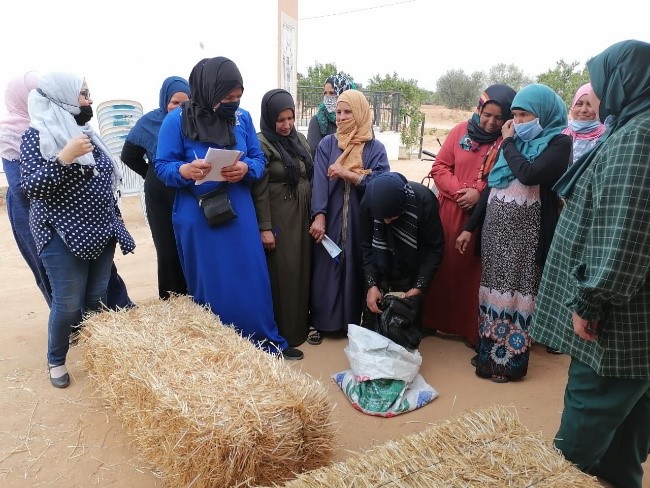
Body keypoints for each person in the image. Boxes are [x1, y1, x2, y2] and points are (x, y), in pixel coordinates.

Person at [530, 40, 650, 488]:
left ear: (624, 81)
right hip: (636, 328)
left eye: (600, 85)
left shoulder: (638, 138)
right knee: (626, 438)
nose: (594, 97)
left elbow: (626, 232)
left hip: (617, 327)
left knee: (576, 444)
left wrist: (591, 302)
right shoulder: (635, 126)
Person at [154, 56, 303, 360]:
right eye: (227, 97)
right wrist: (185, 170)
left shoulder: (242, 119)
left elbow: (258, 159)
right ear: (208, 91)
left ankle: (264, 340)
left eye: (238, 97)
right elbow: (161, 166)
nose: (233, 103)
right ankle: (220, 351)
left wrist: (246, 168)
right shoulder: (176, 121)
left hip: (238, 209)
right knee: (212, 281)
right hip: (198, 214)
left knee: (252, 274)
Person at [20, 72, 136, 388]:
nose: (89, 100)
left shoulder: (86, 132)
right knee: (68, 302)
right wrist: (63, 158)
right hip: (62, 234)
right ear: (63, 98)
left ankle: (98, 351)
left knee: (96, 296)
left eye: (88, 93)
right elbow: (29, 188)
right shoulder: (37, 136)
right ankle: (56, 360)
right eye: (83, 94)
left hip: (100, 230)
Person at [458, 83, 571, 383]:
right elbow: (493, 188)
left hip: (527, 238)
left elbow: (530, 174)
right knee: (492, 291)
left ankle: (510, 363)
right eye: (516, 116)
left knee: (518, 295)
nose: (518, 122)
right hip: (496, 234)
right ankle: (487, 355)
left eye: (524, 115)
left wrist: (507, 143)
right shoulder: (514, 143)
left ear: (543, 114)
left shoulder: (559, 143)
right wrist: (470, 228)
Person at [0, 72, 134, 311]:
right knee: (53, 270)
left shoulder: (67, 123)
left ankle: (117, 311)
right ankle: (71, 326)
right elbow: (22, 188)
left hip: (75, 207)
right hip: (31, 212)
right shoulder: (13, 134)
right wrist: (62, 163)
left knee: (98, 265)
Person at [422, 84, 516, 348]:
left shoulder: (507, 141)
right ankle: (433, 320)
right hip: (449, 210)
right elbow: (440, 166)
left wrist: (478, 193)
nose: (490, 122)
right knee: (443, 265)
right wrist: (459, 191)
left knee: (474, 273)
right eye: (487, 114)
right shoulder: (460, 131)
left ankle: (470, 329)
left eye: (499, 117)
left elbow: (508, 176)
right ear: (479, 108)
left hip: (484, 214)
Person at [308, 89, 390, 345]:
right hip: (331, 218)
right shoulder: (327, 144)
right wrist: (319, 216)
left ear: (361, 113)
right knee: (327, 267)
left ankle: (352, 322)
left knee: (357, 263)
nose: (341, 117)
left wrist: (349, 174)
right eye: (339, 112)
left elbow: (382, 183)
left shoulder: (375, 148)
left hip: (360, 220)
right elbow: (319, 181)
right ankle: (324, 321)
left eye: (348, 112)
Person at [121, 76, 191, 299]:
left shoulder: (195, 122)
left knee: (190, 242)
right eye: (175, 102)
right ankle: (172, 297)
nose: (180, 108)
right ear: (164, 101)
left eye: (185, 103)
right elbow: (128, 155)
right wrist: (150, 174)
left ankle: (194, 294)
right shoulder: (149, 122)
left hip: (187, 189)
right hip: (160, 193)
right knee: (167, 245)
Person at [252, 89, 313, 347]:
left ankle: (302, 327)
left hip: (303, 215)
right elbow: (259, 189)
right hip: (280, 218)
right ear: (269, 118)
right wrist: (265, 227)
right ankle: (284, 334)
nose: (286, 125)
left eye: (290, 118)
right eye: (280, 120)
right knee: (284, 272)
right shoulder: (261, 143)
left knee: (303, 269)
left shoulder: (299, 139)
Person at [360, 172, 444, 336]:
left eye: (391, 216)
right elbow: (366, 246)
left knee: (405, 329)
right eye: (381, 217)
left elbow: (434, 248)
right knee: (373, 328)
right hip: (380, 262)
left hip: (413, 263)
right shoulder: (369, 203)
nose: (386, 222)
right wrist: (371, 285)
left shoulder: (424, 201)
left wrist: (418, 288)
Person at [306, 72, 356, 159]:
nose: (328, 97)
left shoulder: (358, 119)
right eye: (325, 93)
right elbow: (314, 151)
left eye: (332, 93)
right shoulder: (317, 120)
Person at [562, 82, 606, 164]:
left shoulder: (605, 136)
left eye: (590, 104)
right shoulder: (563, 134)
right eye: (579, 104)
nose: (583, 110)